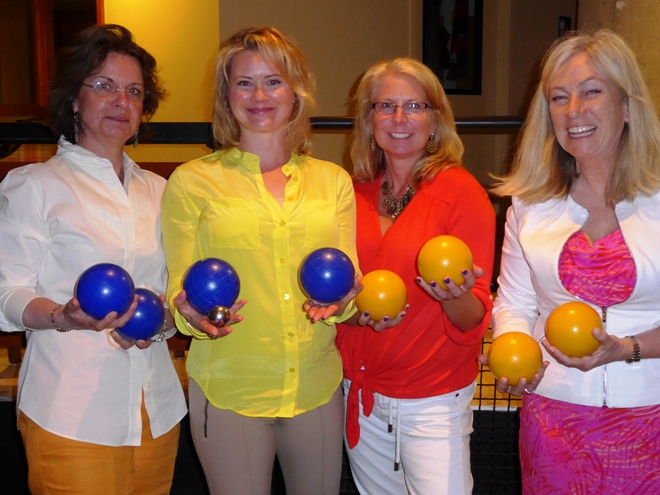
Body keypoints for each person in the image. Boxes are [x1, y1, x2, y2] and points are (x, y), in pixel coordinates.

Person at [161, 26, 359, 495]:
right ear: (226, 95)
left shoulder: (333, 182)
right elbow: (178, 287)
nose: (259, 95)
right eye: (243, 82)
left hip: (315, 387)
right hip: (231, 389)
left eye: (274, 80)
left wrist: (348, 299)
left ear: (296, 92)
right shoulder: (191, 183)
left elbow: (348, 282)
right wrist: (187, 312)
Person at [0, 24, 187, 494]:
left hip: (157, 412)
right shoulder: (33, 186)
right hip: (70, 413)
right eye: (103, 86)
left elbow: (169, 294)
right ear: (74, 100)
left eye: (133, 91)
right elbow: (6, 292)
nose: (120, 101)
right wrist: (63, 315)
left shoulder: (163, 193)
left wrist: (167, 318)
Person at [489, 29, 660, 493]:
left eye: (591, 92)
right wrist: (513, 356)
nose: (574, 111)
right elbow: (514, 303)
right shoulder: (528, 204)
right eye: (559, 98)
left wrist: (626, 348)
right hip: (554, 422)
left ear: (627, 105)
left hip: (652, 422)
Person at [335, 58, 495, 495]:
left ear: (435, 119)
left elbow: (472, 319)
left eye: (415, 106)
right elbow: (339, 299)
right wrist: (344, 312)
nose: (399, 119)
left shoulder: (461, 194)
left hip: (433, 400)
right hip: (360, 390)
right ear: (368, 120)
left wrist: (453, 294)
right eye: (385, 106)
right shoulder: (350, 193)